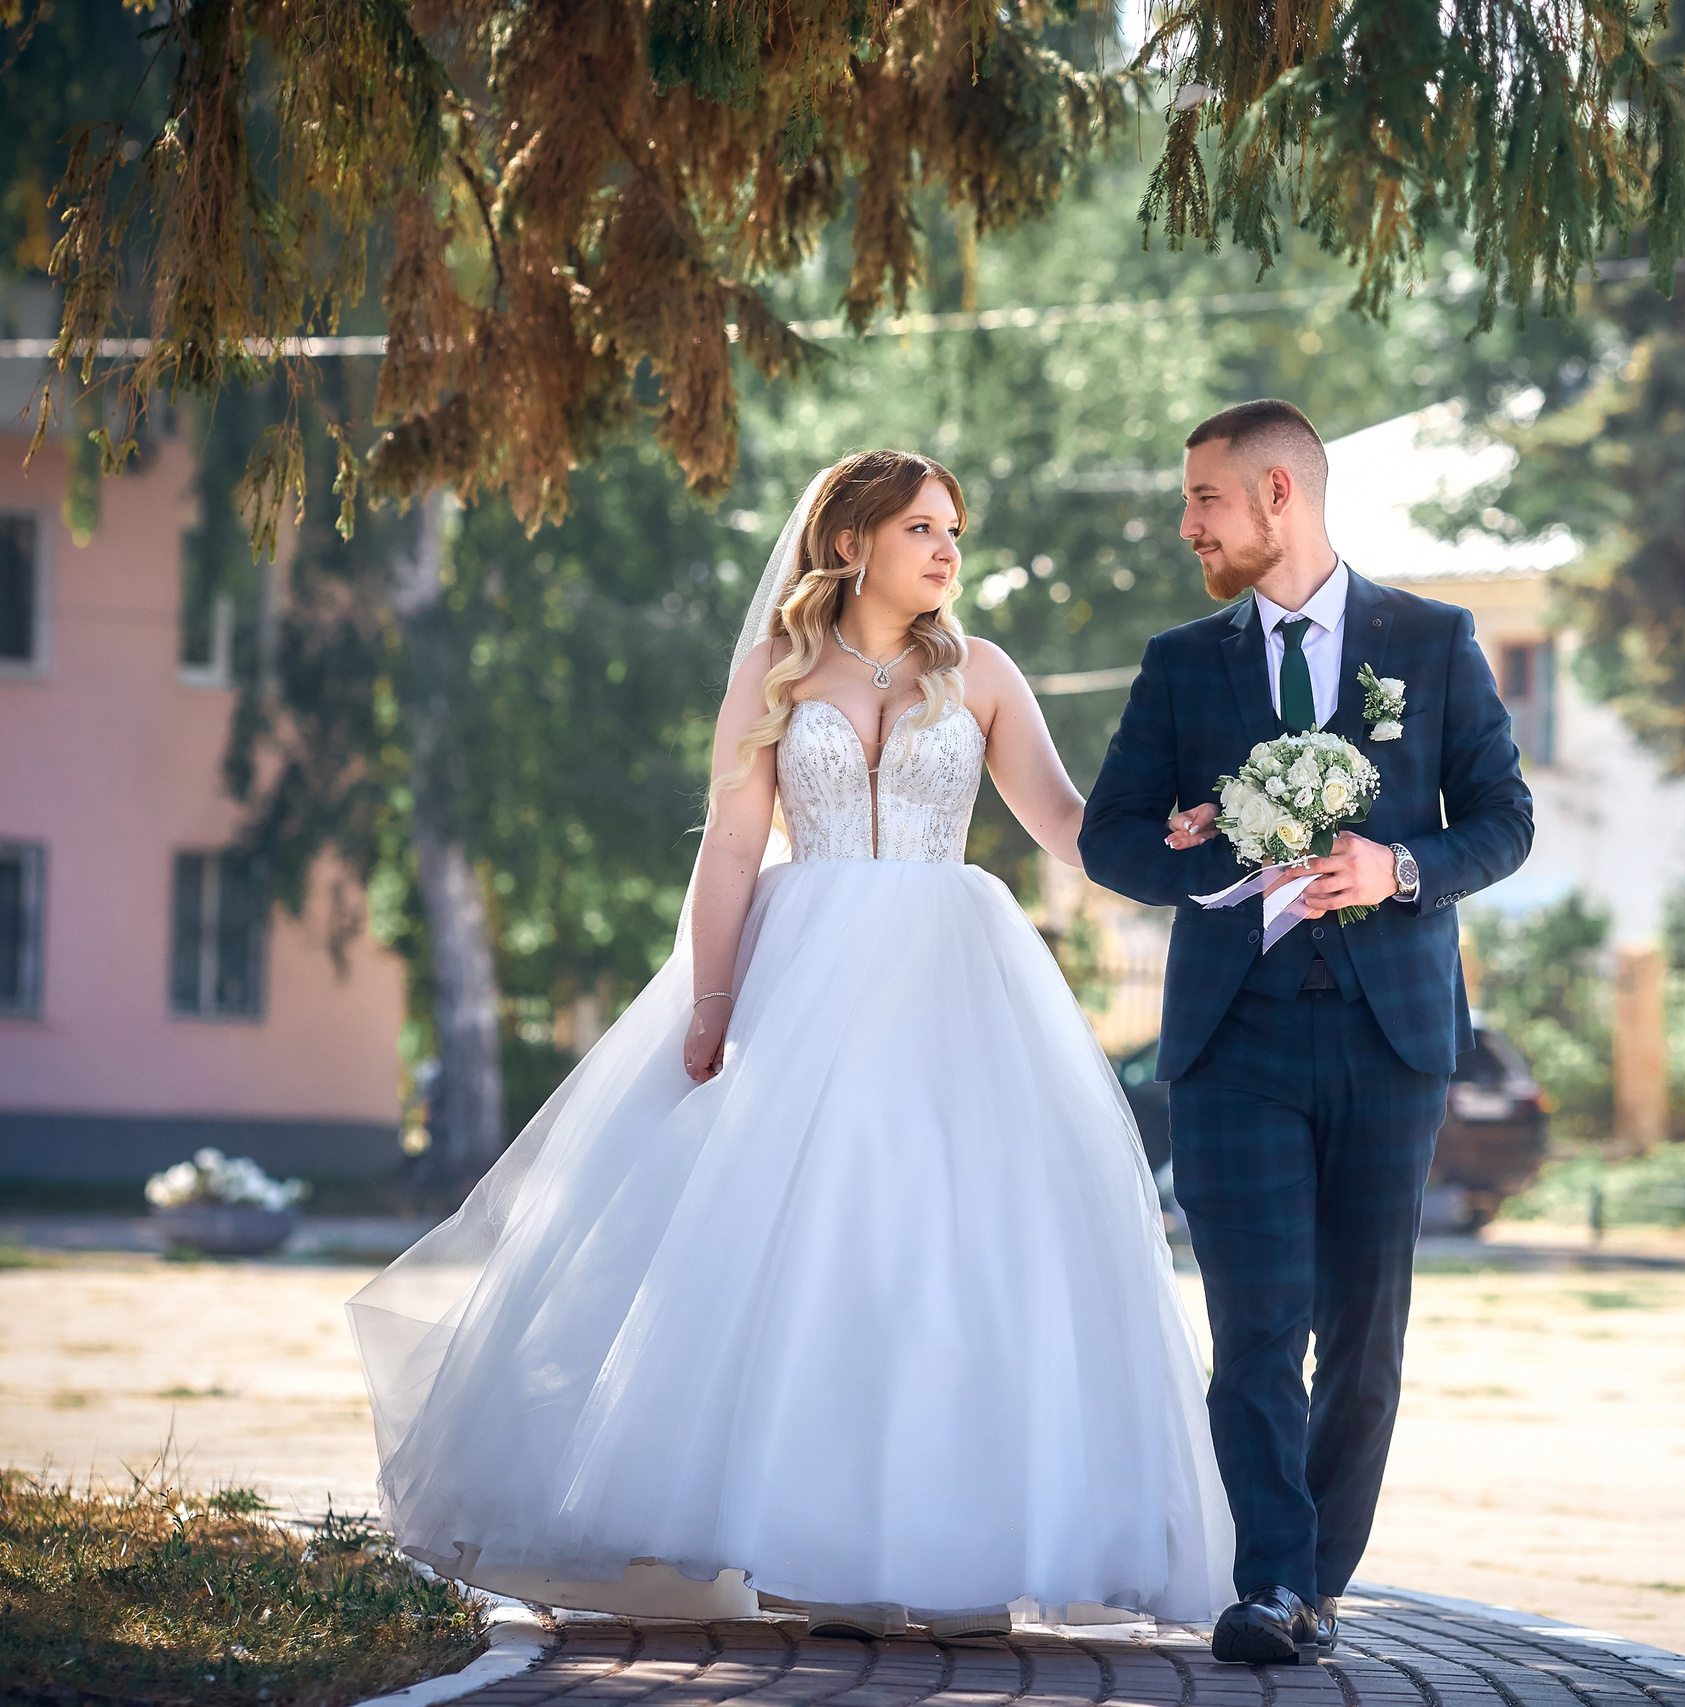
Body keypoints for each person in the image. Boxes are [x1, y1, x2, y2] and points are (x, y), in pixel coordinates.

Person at [348, 451, 1232, 1637]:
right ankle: (815, 1542)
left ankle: (962, 1545)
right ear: (853, 539)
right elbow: (727, 848)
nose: (946, 550)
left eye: (953, 529)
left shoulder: (980, 673)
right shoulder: (774, 670)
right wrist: (712, 1004)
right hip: (800, 972)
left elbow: (1066, 825)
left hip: (950, 981)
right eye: (922, 526)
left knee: (949, 1247)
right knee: (811, 1246)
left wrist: (1168, 843)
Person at [1079, 400, 1535, 1665]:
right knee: (1258, 1322)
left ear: (1279, 493)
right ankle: (1271, 1583)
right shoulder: (1184, 664)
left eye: (1203, 502)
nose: (1188, 527)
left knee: (1365, 1325)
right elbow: (1107, 832)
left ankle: (1320, 1579)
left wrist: (1398, 869)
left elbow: (1503, 819)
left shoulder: (1431, 642)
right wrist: (1184, 848)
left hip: (1392, 1036)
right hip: (1234, 1038)